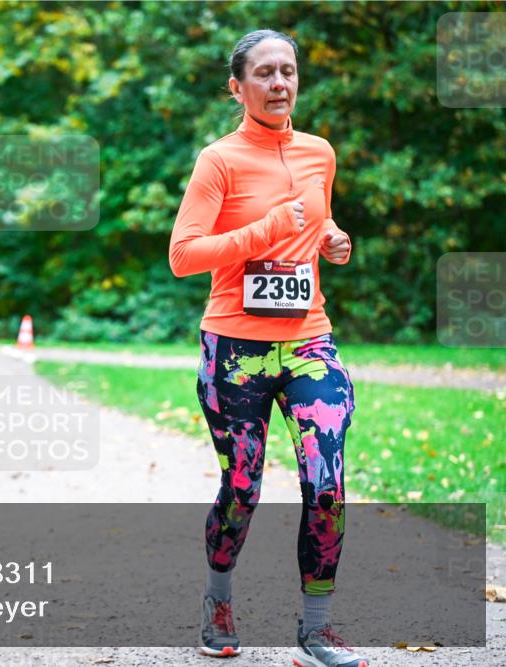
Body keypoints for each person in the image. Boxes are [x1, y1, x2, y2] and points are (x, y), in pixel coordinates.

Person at [168, 30, 364, 667]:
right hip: (236, 348)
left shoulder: (318, 153)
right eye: (264, 74)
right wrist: (266, 229)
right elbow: (183, 255)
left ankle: (317, 628)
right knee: (243, 487)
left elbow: (317, 221)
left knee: (326, 484)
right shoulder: (218, 159)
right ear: (238, 86)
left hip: (309, 340)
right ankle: (219, 601)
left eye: (289, 71)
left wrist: (333, 240)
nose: (280, 83)